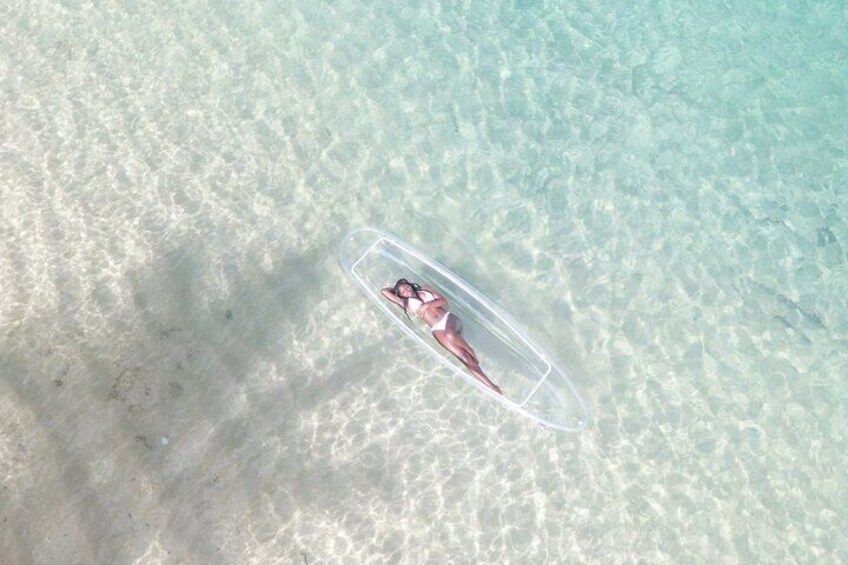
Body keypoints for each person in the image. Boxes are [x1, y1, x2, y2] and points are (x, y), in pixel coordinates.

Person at [381, 278, 503, 395]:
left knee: (451, 336)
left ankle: (470, 349)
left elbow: (443, 301)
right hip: (437, 329)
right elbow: (384, 291)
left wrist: (426, 306)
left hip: (449, 319)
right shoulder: (404, 303)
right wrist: (397, 288)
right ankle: (493, 386)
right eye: (402, 291)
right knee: (465, 359)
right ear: (400, 295)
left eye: (406, 287)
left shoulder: (425, 288)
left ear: (409, 284)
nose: (406, 290)